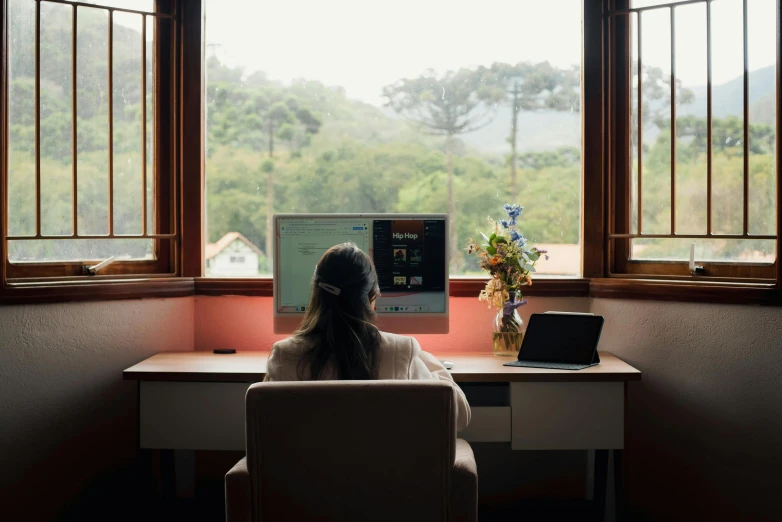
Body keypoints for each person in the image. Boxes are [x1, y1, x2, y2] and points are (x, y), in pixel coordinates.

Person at [265, 242, 470, 432]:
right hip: (385, 471)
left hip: (307, 471)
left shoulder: (283, 354)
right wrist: (424, 358)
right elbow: (458, 416)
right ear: (372, 296)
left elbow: (268, 428)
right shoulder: (400, 351)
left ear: (317, 293)